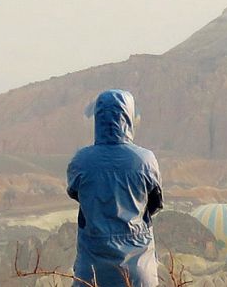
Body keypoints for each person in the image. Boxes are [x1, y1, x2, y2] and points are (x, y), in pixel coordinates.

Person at [68, 89, 163, 287]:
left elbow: (76, 194)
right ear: (128, 118)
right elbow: (154, 203)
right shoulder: (145, 159)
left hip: (92, 270)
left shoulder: (81, 160)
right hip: (138, 271)